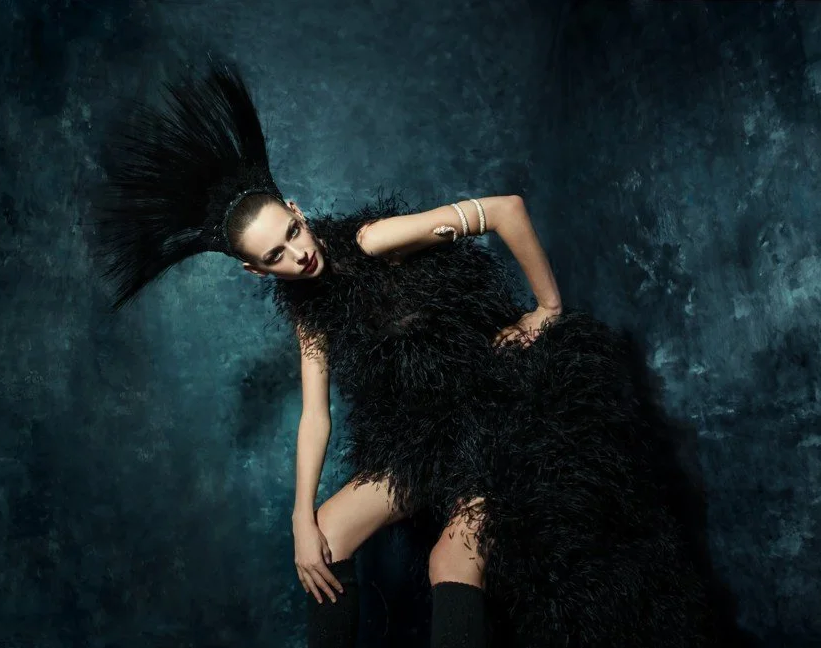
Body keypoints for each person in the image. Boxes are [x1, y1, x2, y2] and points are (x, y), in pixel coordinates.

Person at [92, 51, 720, 648]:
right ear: (257, 272)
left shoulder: (370, 239)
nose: (299, 253)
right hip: (419, 434)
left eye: (292, 231)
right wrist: (298, 520)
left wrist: (547, 308)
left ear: (297, 208)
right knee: (327, 541)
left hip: (494, 411)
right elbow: (316, 417)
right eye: (275, 256)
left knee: (451, 560)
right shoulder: (305, 310)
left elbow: (506, 210)